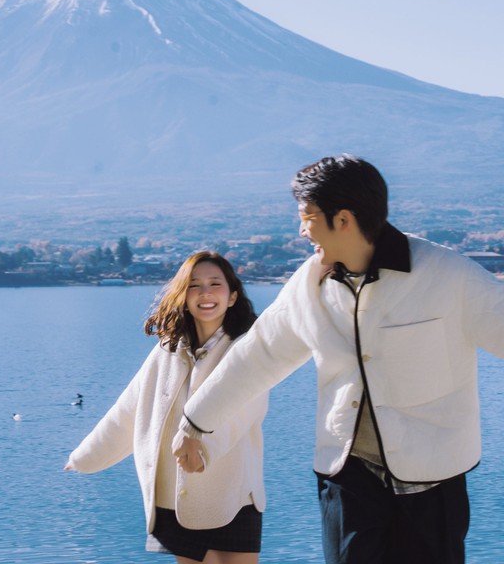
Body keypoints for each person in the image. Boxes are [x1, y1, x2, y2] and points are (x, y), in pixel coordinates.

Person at [174, 155, 504, 564]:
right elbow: (256, 356)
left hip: (433, 480)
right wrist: (195, 423)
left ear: (343, 219)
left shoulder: (448, 275)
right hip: (349, 476)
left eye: (308, 217)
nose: (301, 229)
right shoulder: (309, 285)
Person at [65, 251, 268, 564]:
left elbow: (247, 408)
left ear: (232, 297)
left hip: (234, 492)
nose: (205, 293)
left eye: (215, 284)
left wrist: (204, 447)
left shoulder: (246, 348)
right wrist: (84, 457)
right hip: (176, 496)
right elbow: (130, 409)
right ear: (183, 296)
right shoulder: (167, 350)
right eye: (194, 285)